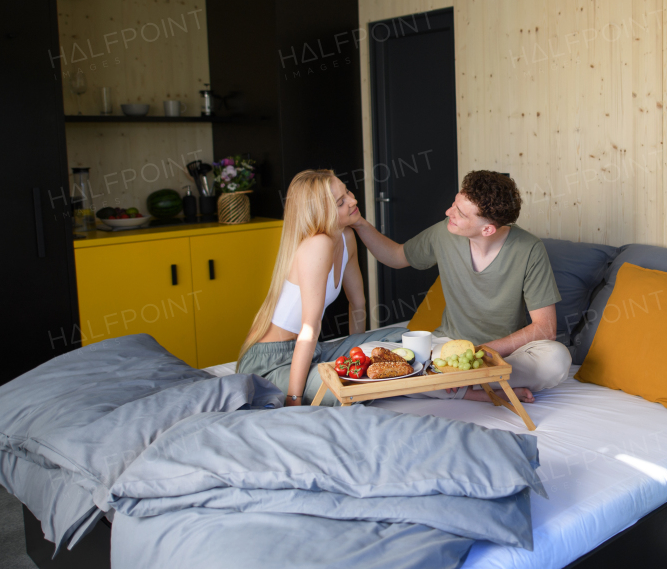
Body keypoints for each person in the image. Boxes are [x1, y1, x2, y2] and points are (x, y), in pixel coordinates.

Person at [352, 170, 572, 404]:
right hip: (447, 347)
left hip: (502, 354)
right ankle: (478, 392)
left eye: (460, 213)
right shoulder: (444, 232)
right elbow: (396, 256)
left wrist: (481, 352)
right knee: (367, 352)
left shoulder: (530, 249)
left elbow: (545, 328)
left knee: (557, 359)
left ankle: (451, 383)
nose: (448, 213)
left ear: (487, 229)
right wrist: (358, 223)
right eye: (454, 205)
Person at [235, 169, 407, 405]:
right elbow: (310, 327)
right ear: (322, 212)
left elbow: (357, 303)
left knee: (404, 339)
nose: (353, 200)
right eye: (341, 201)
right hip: (271, 362)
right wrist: (293, 399)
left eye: (347, 191)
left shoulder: (345, 237)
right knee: (349, 389)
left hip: (309, 349)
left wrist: (359, 354)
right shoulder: (318, 244)